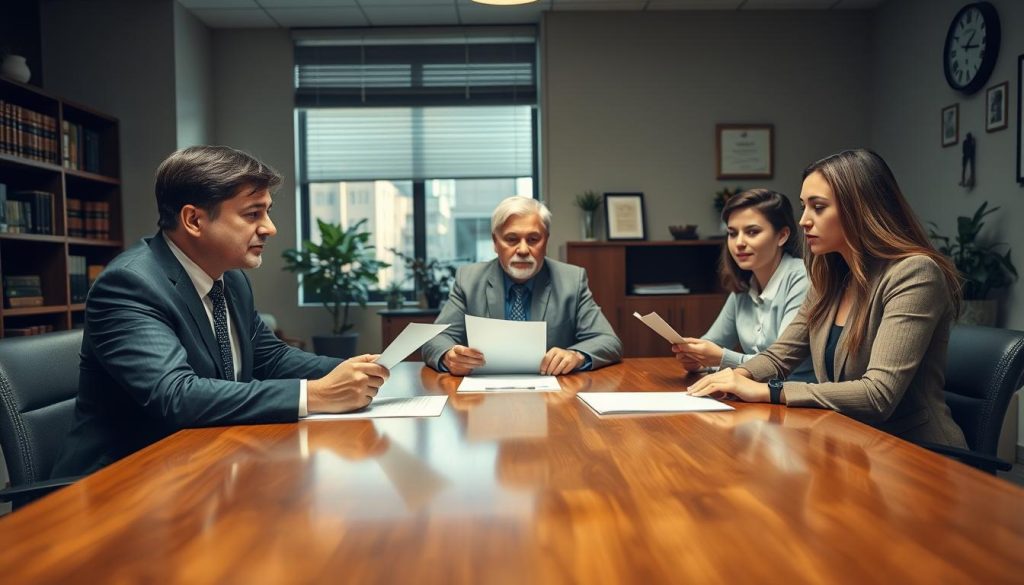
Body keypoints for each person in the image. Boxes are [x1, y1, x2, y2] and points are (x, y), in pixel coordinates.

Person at [51, 146, 390, 477]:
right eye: (252, 214)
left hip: (201, 464)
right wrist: (314, 395)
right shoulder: (129, 285)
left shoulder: (231, 280)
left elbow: (271, 359)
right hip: (119, 484)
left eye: (267, 212)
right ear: (194, 219)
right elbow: (176, 395)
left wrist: (362, 369)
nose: (270, 228)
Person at [687, 149, 967, 448]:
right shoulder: (830, 278)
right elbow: (779, 356)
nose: (804, 221)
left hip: (915, 452)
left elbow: (878, 395)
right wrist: (735, 377)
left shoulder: (914, 273)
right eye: (803, 207)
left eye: (818, 207)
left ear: (860, 209)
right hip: (850, 441)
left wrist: (769, 391)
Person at [421, 196, 622, 376]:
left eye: (533, 239)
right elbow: (434, 340)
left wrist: (577, 356)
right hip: (483, 397)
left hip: (554, 396)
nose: (523, 250)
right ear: (495, 241)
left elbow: (608, 341)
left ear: (546, 241)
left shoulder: (572, 280)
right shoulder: (469, 280)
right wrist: (449, 356)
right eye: (511, 239)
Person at [671, 188, 813, 381]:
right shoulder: (744, 284)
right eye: (732, 233)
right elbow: (712, 341)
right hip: (756, 396)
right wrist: (694, 356)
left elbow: (782, 365)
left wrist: (721, 358)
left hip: (798, 400)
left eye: (752, 232)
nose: (738, 243)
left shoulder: (802, 278)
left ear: (782, 236)